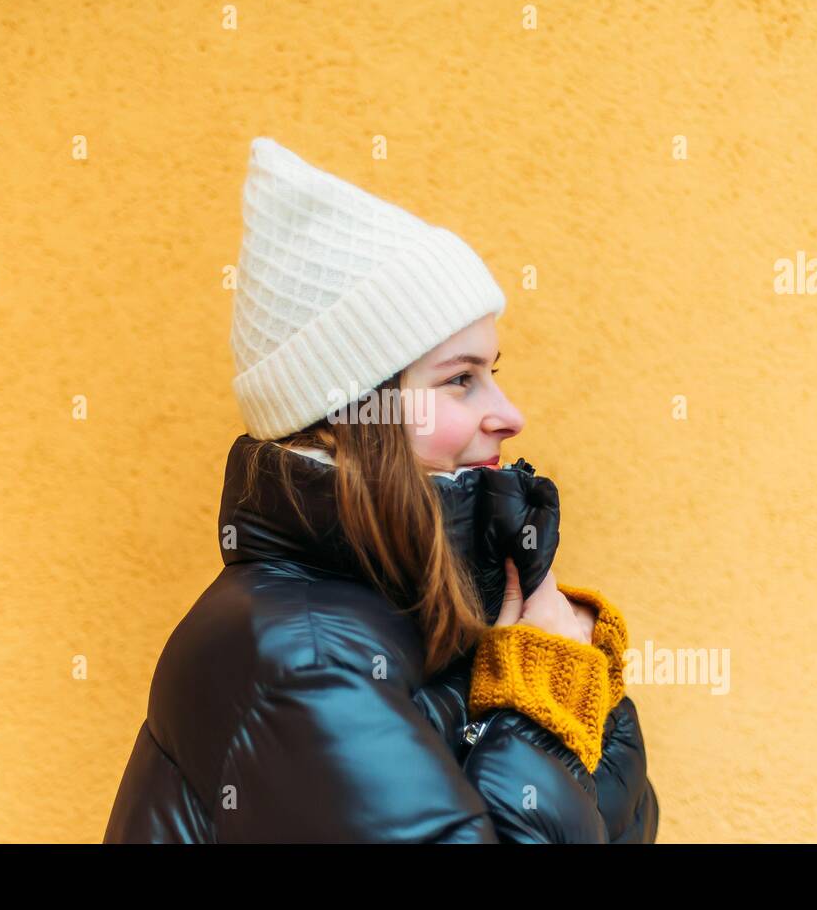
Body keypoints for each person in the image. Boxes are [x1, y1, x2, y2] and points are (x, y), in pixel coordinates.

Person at [103, 137, 658, 843]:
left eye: (492, 370)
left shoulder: (428, 609)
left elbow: (626, 827)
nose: (509, 412)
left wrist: (548, 623)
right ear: (351, 418)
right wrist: (536, 690)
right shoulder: (299, 660)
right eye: (461, 378)